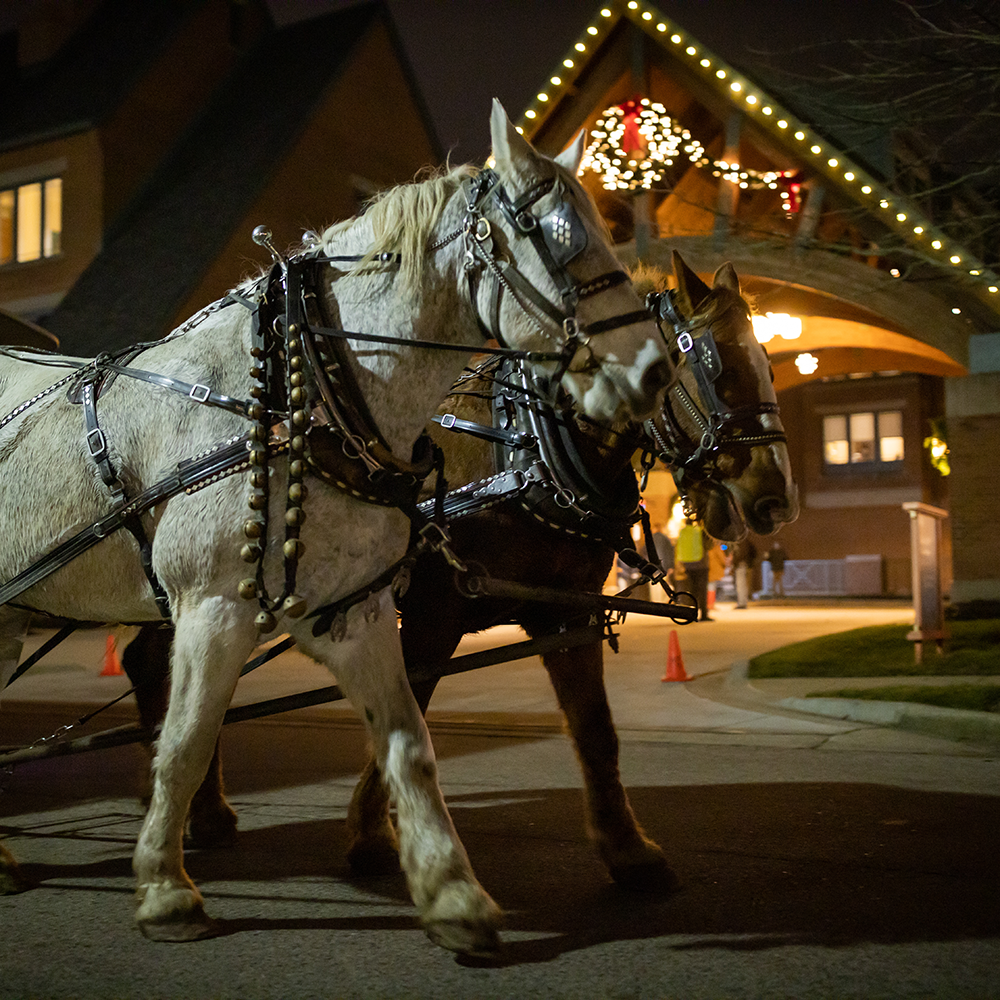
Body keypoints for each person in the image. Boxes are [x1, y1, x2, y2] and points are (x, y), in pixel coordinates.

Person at [675, 517, 712, 621]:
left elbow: (679, 547)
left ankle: (692, 614)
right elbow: (708, 545)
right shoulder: (699, 531)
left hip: (688, 565)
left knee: (692, 591)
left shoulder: (682, 532)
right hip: (701, 565)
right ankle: (704, 615)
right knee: (702, 590)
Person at [731, 537, 757, 609]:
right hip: (743, 564)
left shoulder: (741, 543)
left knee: (741, 584)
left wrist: (736, 563)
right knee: (742, 584)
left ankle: (742, 603)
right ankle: (742, 602)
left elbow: (741, 554)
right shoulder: (745, 542)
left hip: (740, 565)